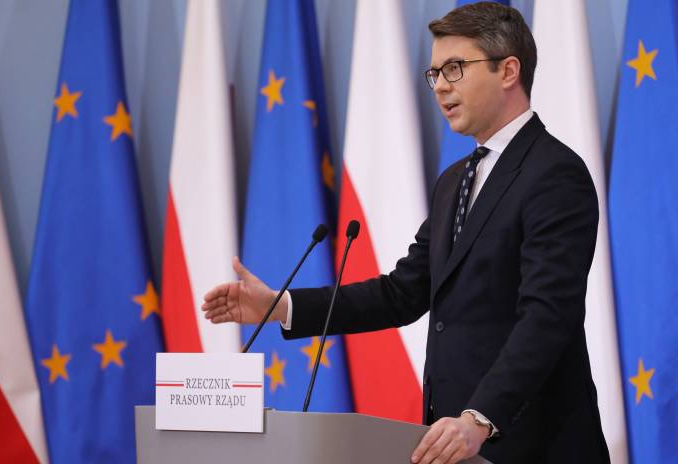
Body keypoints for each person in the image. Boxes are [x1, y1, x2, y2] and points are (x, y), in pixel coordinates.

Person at [202, 3, 609, 463]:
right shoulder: (455, 180)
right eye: (435, 73)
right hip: (452, 442)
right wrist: (281, 306)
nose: (441, 86)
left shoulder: (554, 174)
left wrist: (480, 418)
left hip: (534, 445)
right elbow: (402, 293)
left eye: (455, 68)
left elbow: (548, 315)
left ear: (508, 71)